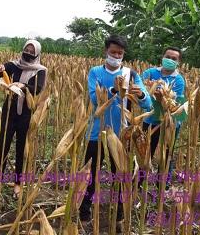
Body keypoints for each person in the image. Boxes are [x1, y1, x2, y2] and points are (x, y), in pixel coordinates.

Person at [79, 35, 152, 231]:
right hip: (96, 131)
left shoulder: (132, 74)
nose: (116, 56)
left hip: (122, 134)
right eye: (113, 52)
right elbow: (95, 100)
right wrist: (114, 89)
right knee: (90, 175)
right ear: (106, 52)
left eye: (120, 53)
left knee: (119, 175)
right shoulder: (95, 72)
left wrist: (141, 94)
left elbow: (148, 104)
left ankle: (119, 213)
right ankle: (84, 211)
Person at [0, 39, 47, 198]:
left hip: (27, 113)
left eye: (31, 50)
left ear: (37, 53)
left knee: (22, 148)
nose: (28, 52)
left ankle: (18, 183)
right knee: (3, 144)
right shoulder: (14, 65)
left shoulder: (40, 70)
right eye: (26, 49)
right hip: (10, 110)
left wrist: (23, 86)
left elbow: (38, 89)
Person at [140, 47, 186, 190]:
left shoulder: (178, 80)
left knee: (167, 153)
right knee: (145, 151)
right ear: (162, 57)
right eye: (168, 56)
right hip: (150, 119)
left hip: (170, 123)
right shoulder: (149, 73)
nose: (170, 60)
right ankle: (139, 183)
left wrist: (160, 98)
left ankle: (163, 185)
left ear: (179, 62)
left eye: (174, 59)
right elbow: (141, 92)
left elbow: (173, 104)